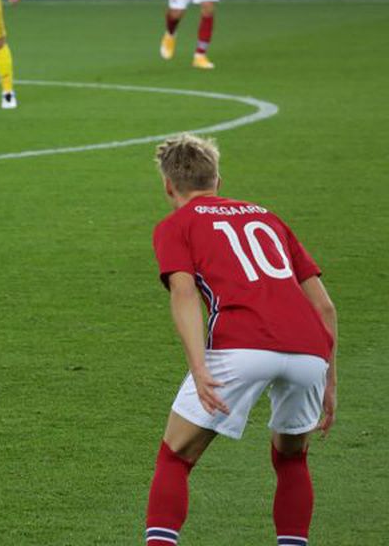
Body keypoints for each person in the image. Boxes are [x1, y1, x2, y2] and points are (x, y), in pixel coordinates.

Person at [144, 133, 337, 546]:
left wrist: (199, 368)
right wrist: (329, 380)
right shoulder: (268, 216)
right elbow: (325, 308)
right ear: (218, 179)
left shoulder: (176, 225)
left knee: (175, 457)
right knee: (290, 458)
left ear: (168, 186)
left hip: (240, 345)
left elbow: (183, 294)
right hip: (309, 352)